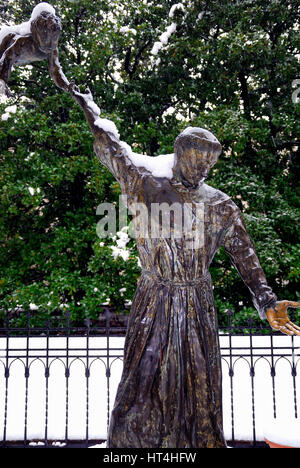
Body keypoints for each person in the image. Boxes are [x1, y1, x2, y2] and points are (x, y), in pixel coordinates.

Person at [65, 83, 300, 448]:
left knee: (199, 384)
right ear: (181, 153)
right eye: (198, 159)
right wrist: (83, 102)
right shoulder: (147, 185)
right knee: (144, 381)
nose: (204, 168)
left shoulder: (220, 205)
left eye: (210, 161)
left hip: (195, 303)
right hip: (155, 298)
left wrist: (267, 301)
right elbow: (112, 146)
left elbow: (245, 256)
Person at [0, 3, 69, 96]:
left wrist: (67, 87)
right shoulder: (23, 41)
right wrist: (2, 81)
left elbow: (55, 71)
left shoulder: (52, 49)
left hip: (18, 57)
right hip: (5, 48)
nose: (48, 41)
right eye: (45, 35)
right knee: (8, 37)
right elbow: (7, 59)